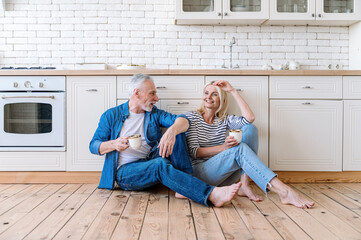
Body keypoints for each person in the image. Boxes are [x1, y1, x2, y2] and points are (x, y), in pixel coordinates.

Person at [89, 74, 241, 207]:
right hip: (126, 173)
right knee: (160, 164)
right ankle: (211, 194)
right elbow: (94, 146)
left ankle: (183, 186)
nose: (157, 98)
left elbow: (184, 119)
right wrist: (114, 144)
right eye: (152, 93)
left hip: (149, 159)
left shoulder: (153, 114)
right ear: (137, 93)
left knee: (178, 132)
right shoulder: (111, 115)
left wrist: (172, 132)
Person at [185, 80, 315, 208]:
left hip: (222, 178)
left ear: (222, 99)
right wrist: (224, 148)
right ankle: (284, 191)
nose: (208, 97)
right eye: (206, 93)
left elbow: (249, 118)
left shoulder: (224, 120)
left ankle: (245, 185)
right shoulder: (193, 117)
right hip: (201, 174)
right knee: (239, 149)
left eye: (214, 94)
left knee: (250, 128)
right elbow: (195, 152)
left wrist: (232, 91)